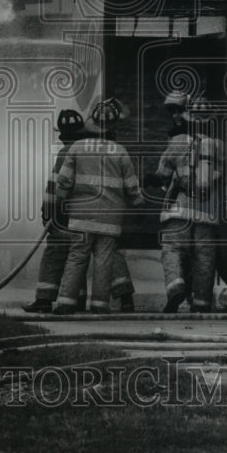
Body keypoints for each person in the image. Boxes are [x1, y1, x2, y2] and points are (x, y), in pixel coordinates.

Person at [52, 98, 145, 315]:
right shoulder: (120, 151)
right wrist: (139, 206)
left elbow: (64, 181)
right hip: (110, 218)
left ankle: (65, 303)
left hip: (81, 215)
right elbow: (132, 185)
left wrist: (58, 203)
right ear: (112, 126)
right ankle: (100, 306)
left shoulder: (76, 147)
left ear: (92, 121)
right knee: (104, 260)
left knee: (77, 256)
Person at [145, 97, 227, 313]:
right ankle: (201, 303)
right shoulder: (219, 147)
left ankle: (176, 286)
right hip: (207, 213)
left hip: (179, 210)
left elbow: (162, 175)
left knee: (172, 249)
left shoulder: (178, 141)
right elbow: (225, 181)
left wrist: (151, 179)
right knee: (204, 257)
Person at [22, 109, 89, 313]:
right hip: (82, 216)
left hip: (63, 216)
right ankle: (77, 299)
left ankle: (44, 299)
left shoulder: (66, 152)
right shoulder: (89, 151)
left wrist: (47, 213)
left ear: (62, 134)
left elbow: (54, 186)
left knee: (54, 255)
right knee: (76, 259)